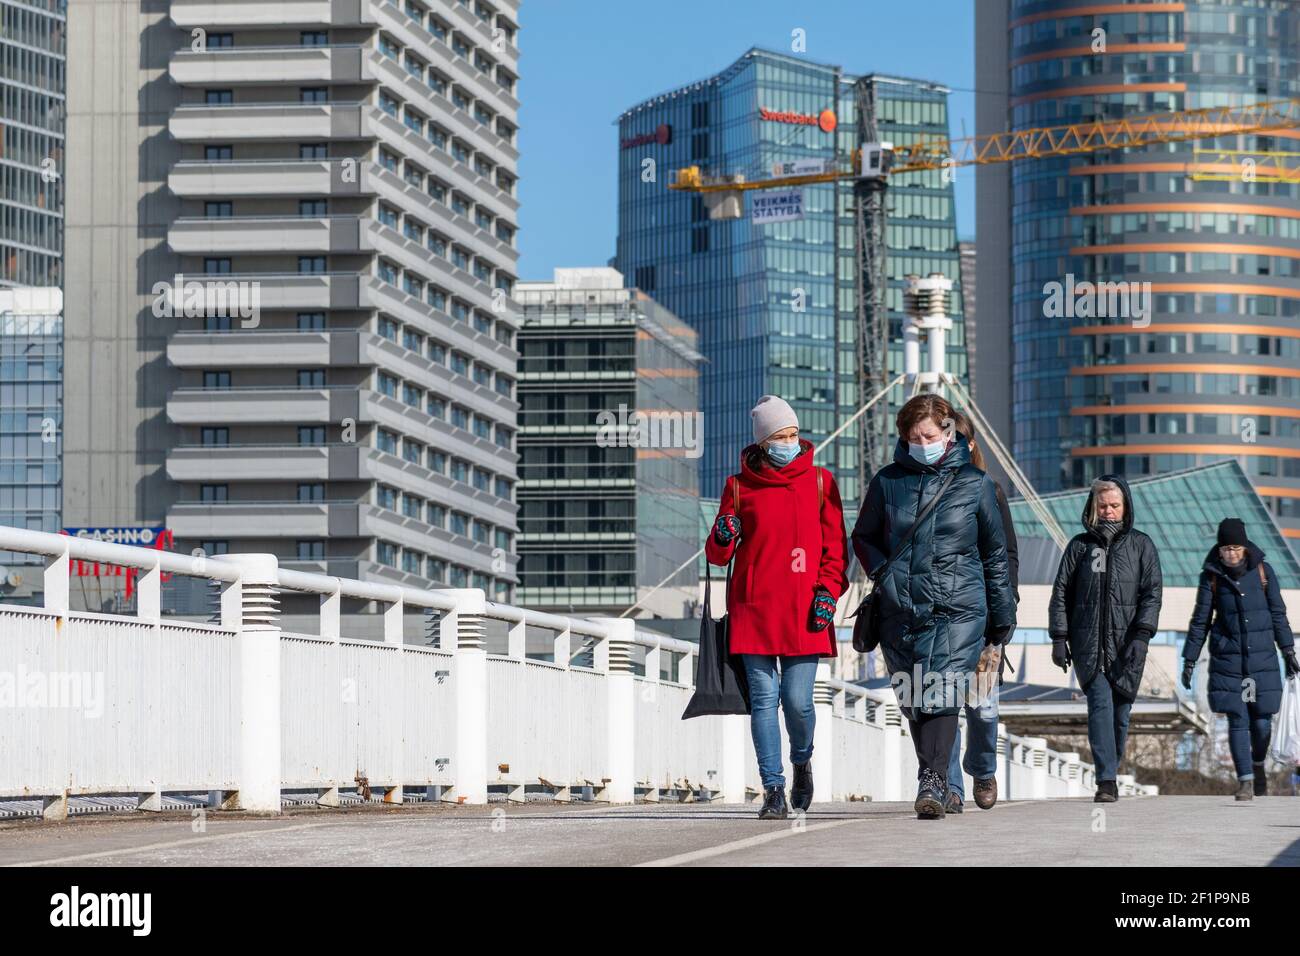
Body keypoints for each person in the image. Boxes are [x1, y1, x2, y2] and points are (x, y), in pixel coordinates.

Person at [852, 394, 1016, 820]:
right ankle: (936, 776)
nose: (920, 442)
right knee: (914, 698)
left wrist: (1002, 617)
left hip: (957, 608)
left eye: (928, 435)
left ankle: (935, 781)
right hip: (901, 609)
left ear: (948, 433)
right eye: (912, 436)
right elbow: (863, 537)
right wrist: (883, 572)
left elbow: (996, 554)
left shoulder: (976, 484)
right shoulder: (887, 482)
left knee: (942, 691)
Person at [705, 395, 849, 820]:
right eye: (781, 436)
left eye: (794, 433)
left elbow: (835, 549)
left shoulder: (822, 482)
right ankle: (772, 788)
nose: (791, 441)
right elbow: (717, 556)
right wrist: (724, 532)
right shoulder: (737, 486)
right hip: (754, 608)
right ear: (764, 442)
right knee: (764, 701)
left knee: (798, 701)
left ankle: (801, 759)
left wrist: (828, 591)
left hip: (806, 609)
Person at [1048, 475, 1163, 803]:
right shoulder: (1079, 547)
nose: (1109, 511)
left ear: (1125, 507)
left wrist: (1143, 633)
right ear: (1093, 507)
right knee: (1099, 705)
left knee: (1120, 713)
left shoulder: (1142, 546)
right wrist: (1059, 637)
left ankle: (1111, 763)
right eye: (1103, 506)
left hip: (1128, 646)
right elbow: (1061, 593)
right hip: (1088, 646)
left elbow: (1151, 593)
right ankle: (1106, 780)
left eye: (1115, 505)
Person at [1181, 518, 1300, 800]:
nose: (1230, 554)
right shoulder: (1211, 577)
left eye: (1235, 548)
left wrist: (1289, 651)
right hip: (1228, 660)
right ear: (1218, 550)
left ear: (1244, 547)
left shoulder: (1263, 572)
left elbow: (1278, 615)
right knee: (1237, 718)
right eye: (1225, 549)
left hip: (1261, 659)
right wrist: (1189, 659)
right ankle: (1245, 781)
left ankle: (1257, 763)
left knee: (1261, 722)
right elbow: (1200, 621)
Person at [944, 412, 1020, 813]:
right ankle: (951, 787)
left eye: (960, 438)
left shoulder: (990, 490)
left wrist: (1007, 603)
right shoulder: (932, 491)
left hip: (986, 617)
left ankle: (983, 768)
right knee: (943, 703)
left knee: (983, 707)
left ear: (971, 444)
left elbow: (1007, 554)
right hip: (943, 617)